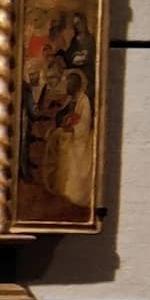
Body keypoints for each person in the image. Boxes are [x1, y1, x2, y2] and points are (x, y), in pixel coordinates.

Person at [52, 70, 94, 205]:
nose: (66, 87)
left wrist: (72, 128)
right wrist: (65, 120)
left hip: (81, 139)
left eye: (68, 84)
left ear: (75, 85)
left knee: (67, 148)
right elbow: (66, 114)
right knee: (56, 137)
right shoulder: (72, 99)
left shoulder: (84, 101)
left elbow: (84, 124)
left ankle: (72, 192)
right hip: (72, 133)